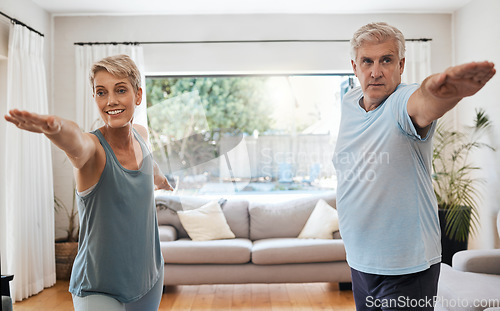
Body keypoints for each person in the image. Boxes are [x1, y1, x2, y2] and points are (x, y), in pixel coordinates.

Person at [332, 22, 495, 311]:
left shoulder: (400, 102)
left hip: (406, 268)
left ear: (401, 65)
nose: (376, 71)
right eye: (367, 61)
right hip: (360, 261)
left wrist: (445, 91)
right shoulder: (349, 102)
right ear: (354, 67)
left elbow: (424, 103)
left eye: (386, 60)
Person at [4, 54, 173, 311]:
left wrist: (161, 179)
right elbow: (75, 141)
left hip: (149, 278)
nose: (111, 101)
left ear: (138, 95)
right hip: (98, 287)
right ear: (94, 97)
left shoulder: (141, 134)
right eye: (101, 92)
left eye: (120, 90)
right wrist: (55, 128)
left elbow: (150, 164)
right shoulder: (92, 150)